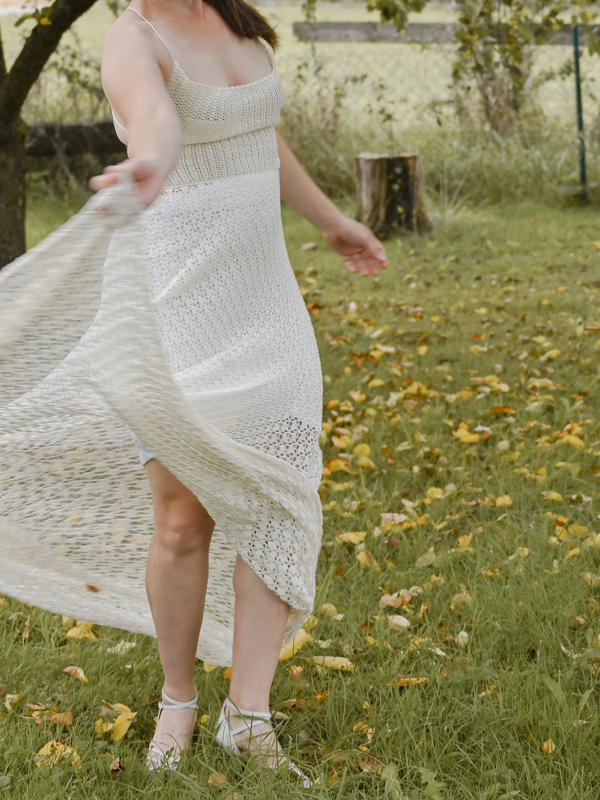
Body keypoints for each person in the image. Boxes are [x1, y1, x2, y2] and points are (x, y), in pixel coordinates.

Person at [88, 0, 388, 781]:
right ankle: (178, 699)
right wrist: (150, 162)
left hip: (268, 313)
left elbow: (261, 137)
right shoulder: (133, 38)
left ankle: (248, 716)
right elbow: (155, 122)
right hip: (179, 313)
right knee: (182, 522)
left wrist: (331, 222)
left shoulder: (236, 20)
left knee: (277, 501)